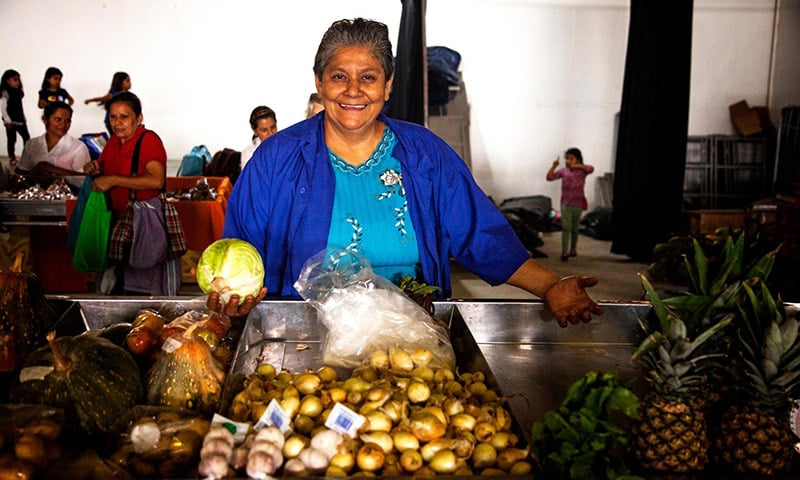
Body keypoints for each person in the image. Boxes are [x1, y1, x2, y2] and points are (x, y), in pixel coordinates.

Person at [211, 18, 603, 327]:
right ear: (319, 82)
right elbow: (240, 251)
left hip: (409, 337)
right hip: (303, 341)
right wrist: (232, 295)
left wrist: (550, 284)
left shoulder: (424, 155)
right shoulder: (276, 160)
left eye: (368, 77)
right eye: (338, 76)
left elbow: (481, 234)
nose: (353, 90)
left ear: (387, 85)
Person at [83, 91, 177, 296]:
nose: (117, 122)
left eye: (124, 117)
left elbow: (156, 180)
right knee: (116, 284)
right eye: (113, 117)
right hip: (119, 222)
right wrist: (94, 166)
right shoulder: (114, 142)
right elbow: (105, 164)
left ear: (139, 118)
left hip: (144, 223)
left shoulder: (148, 140)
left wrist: (114, 180)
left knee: (143, 286)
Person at [15, 101, 90, 175]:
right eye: (58, 119)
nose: (63, 124)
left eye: (67, 121)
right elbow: (21, 170)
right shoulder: (31, 144)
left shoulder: (78, 148)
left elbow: (84, 179)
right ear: (45, 119)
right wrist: (35, 171)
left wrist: (51, 169)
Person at [546, 148, 594, 262]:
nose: (568, 161)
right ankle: (564, 252)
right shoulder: (563, 171)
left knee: (574, 228)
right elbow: (549, 177)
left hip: (578, 203)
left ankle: (573, 249)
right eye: (567, 158)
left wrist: (577, 166)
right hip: (566, 203)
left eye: (571, 158)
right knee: (566, 227)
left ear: (577, 159)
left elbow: (591, 168)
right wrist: (554, 166)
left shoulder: (582, 171)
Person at [0, 69, 30, 168]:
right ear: (8, 80)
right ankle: (12, 157)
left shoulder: (18, 92)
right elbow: (3, 108)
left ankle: (27, 157)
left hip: (20, 119)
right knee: (12, 139)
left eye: (18, 80)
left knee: (27, 138)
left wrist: (23, 118)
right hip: (11, 121)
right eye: (15, 80)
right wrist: (7, 120)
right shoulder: (5, 93)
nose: (18, 82)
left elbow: (20, 107)